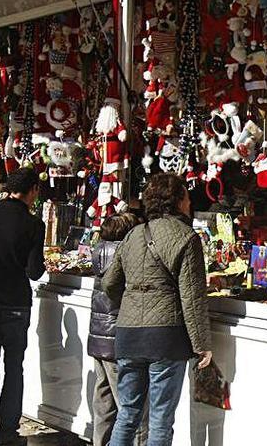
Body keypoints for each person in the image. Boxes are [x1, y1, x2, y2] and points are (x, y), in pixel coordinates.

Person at [104, 173, 213, 446]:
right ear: (176, 200)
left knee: (127, 414)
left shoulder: (133, 234)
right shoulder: (186, 238)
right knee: (160, 420)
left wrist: (131, 304)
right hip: (165, 336)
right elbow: (192, 296)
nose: (190, 201)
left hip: (128, 334)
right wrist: (202, 344)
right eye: (186, 196)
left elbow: (109, 284)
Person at [0, 167, 45, 445]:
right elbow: (34, 271)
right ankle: (9, 424)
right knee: (14, 365)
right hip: (16, 303)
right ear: (32, 191)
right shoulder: (33, 224)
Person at [89, 212, 147, 446]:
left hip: (98, 336)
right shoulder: (125, 253)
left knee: (103, 401)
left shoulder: (98, 250)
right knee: (128, 404)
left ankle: (99, 442)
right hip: (116, 337)